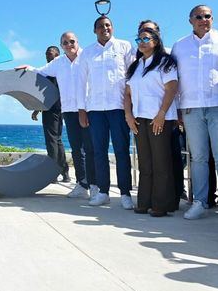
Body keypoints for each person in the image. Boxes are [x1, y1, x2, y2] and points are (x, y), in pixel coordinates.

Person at [172, 5, 218, 226]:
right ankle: (200, 202)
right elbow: (174, 79)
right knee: (198, 158)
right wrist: (177, 110)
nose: (204, 20)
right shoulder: (180, 46)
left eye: (208, 16)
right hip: (191, 108)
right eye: (199, 17)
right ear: (190, 20)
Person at [16, 33, 96, 198]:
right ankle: (82, 184)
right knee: (76, 149)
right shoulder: (58, 63)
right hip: (68, 111)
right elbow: (40, 72)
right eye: (65, 43)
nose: (69, 45)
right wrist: (28, 68)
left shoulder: (87, 56)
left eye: (72, 41)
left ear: (77, 42)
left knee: (90, 148)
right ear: (62, 46)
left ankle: (94, 185)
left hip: (88, 109)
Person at [77, 15, 135, 209]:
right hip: (95, 109)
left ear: (113, 27)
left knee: (121, 151)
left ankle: (125, 193)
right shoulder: (87, 53)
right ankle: (103, 192)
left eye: (108, 25)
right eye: (101, 26)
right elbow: (81, 82)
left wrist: (131, 106)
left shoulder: (125, 47)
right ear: (95, 30)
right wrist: (81, 109)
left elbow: (132, 77)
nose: (105, 29)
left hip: (118, 108)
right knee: (98, 152)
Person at [124, 28, 178, 216]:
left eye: (146, 38)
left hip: (159, 118)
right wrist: (128, 115)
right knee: (145, 162)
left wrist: (161, 114)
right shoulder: (135, 65)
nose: (142, 42)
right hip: (140, 119)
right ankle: (143, 202)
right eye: (139, 38)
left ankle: (161, 205)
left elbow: (172, 89)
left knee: (161, 162)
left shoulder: (166, 62)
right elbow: (128, 93)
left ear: (156, 40)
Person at [137, 20, 186, 205]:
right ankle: (150, 200)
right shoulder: (138, 61)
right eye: (141, 34)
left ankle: (171, 198)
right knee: (151, 162)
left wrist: (165, 113)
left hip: (166, 117)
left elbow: (172, 87)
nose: (143, 37)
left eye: (150, 32)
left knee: (169, 159)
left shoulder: (167, 57)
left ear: (157, 35)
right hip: (144, 118)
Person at [30, 46, 69, 182]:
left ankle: (53, 172)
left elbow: (47, 94)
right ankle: (64, 171)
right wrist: (37, 109)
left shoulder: (52, 71)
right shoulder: (56, 69)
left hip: (52, 109)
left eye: (51, 54)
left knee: (52, 141)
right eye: (46, 54)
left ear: (57, 55)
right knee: (57, 140)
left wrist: (39, 108)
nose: (48, 56)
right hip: (58, 108)